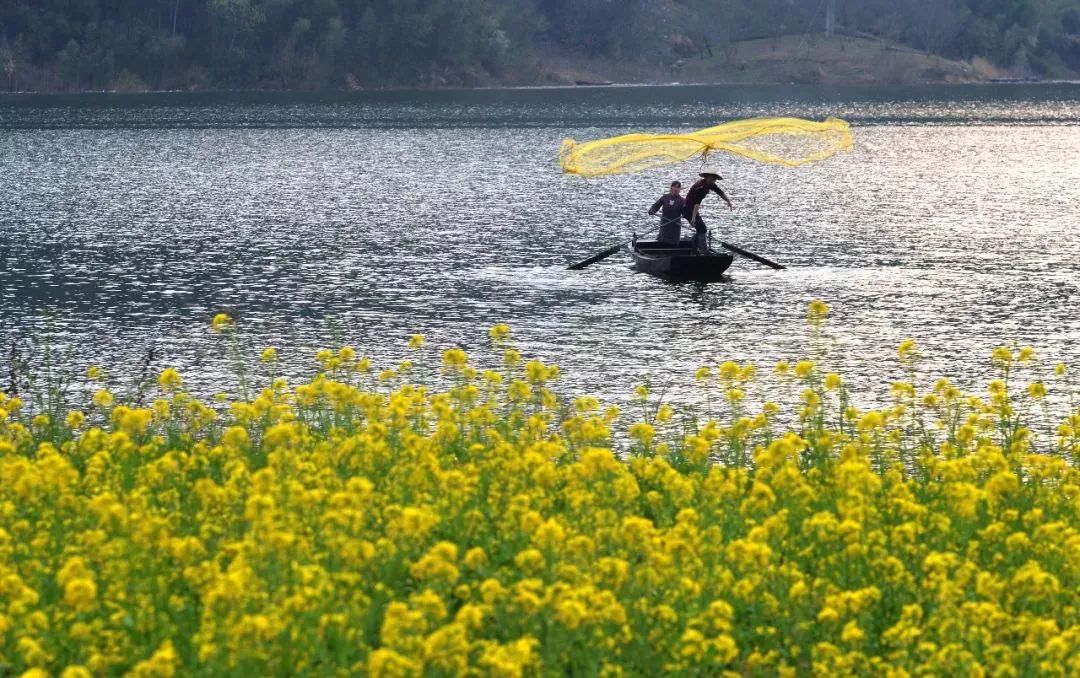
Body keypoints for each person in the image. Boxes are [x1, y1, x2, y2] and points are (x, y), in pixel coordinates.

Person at [682, 170, 733, 252]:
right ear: (707, 177)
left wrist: (728, 201)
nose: (714, 181)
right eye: (712, 179)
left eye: (714, 179)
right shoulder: (701, 187)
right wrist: (693, 218)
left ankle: (693, 248)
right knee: (702, 229)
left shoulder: (710, 184)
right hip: (688, 209)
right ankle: (703, 250)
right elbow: (697, 204)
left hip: (692, 209)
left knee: (700, 229)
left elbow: (720, 192)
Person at [648, 181, 685, 245]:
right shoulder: (665, 197)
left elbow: (685, 212)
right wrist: (652, 210)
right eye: (674, 187)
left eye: (678, 187)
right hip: (665, 224)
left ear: (680, 190)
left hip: (675, 225)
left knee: (673, 243)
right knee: (662, 241)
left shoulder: (682, 201)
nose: (676, 189)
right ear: (671, 188)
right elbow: (656, 206)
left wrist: (687, 214)